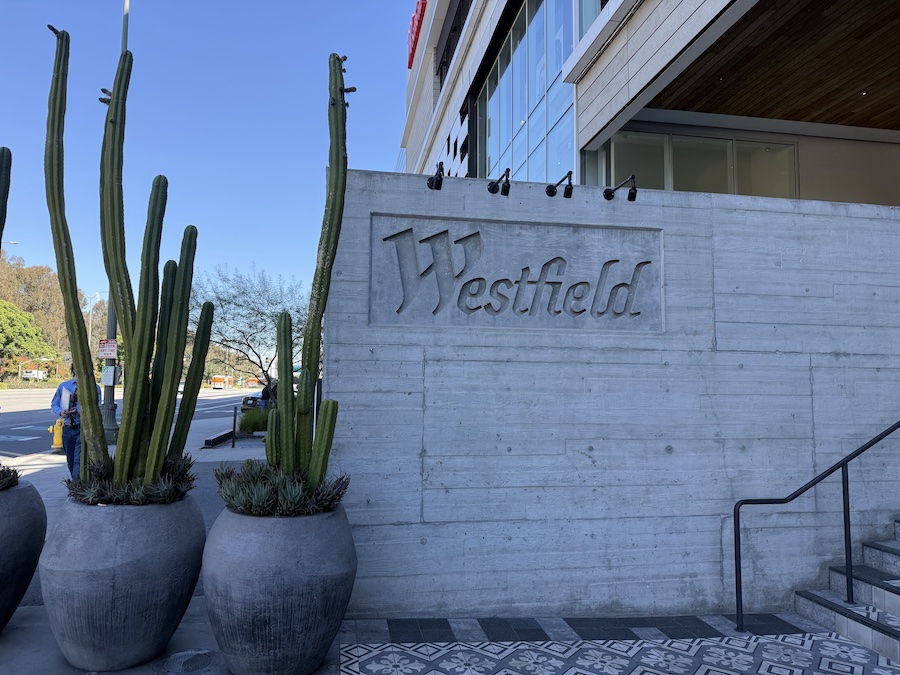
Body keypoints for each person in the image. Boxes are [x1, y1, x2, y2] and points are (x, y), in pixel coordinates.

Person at [51, 377, 99, 479]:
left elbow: (97, 407)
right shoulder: (64, 386)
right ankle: (75, 482)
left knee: (79, 459)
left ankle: (76, 483)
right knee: (70, 459)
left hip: (82, 428)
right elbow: (54, 404)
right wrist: (60, 412)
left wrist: (79, 411)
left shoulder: (94, 388)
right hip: (67, 428)